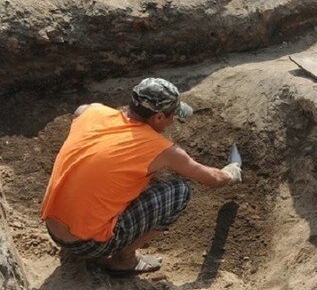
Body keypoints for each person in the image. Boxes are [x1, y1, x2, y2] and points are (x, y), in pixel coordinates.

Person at [40, 77, 243, 276]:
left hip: (52, 227)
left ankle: (85, 229)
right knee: (180, 191)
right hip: (88, 245)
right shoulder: (162, 150)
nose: (173, 121)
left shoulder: (91, 111)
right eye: (172, 115)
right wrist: (232, 171)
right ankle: (124, 259)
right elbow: (213, 179)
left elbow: (80, 111)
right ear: (159, 117)